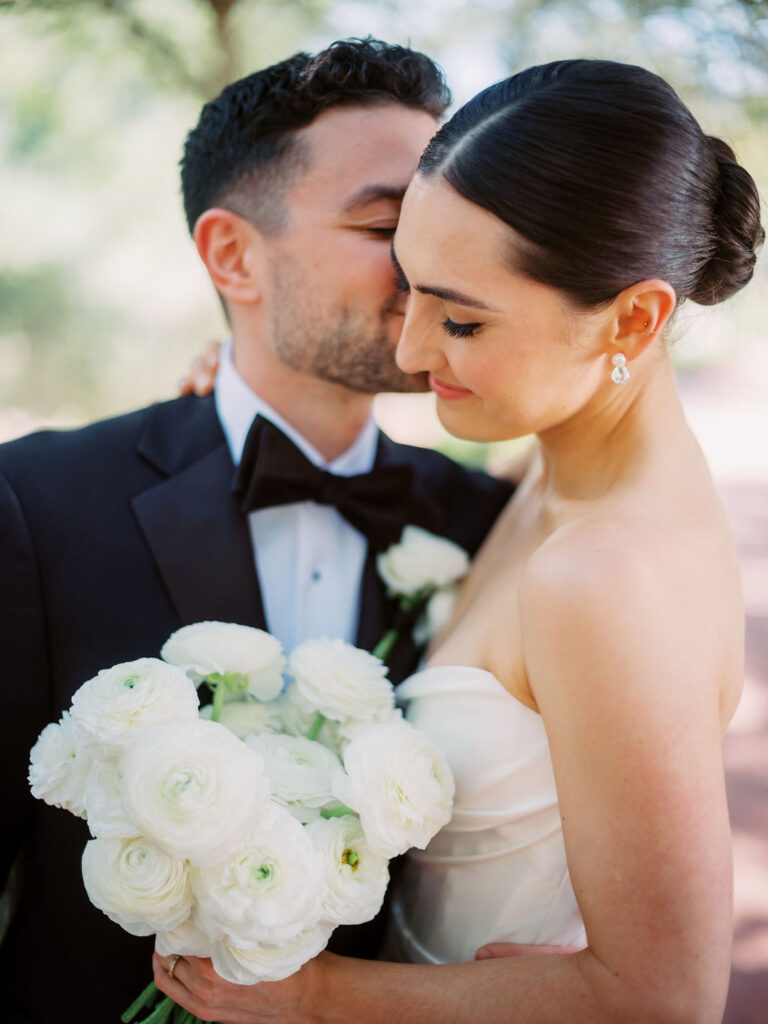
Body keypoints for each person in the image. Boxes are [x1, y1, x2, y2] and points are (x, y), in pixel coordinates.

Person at [153, 59, 764, 1024]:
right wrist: (234, 390)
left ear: (635, 317)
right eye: (413, 284)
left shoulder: (601, 575)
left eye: (464, 320)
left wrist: (312, 995)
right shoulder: (548, 472)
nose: (410, 350)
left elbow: (664, 997)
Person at [0, 40, 513, 1024]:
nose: (437, 264)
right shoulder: (36, 501)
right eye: (388, 224)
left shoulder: (484, 521)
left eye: (451, 226)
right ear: (234, 254)